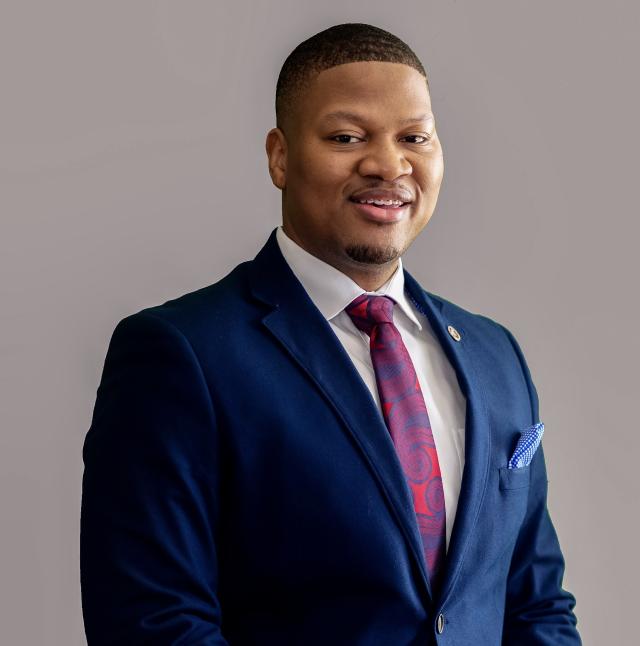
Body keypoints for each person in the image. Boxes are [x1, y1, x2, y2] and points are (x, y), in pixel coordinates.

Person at [80, 22, 581, 645]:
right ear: (280, 156)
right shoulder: (182, 354)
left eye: (414, 138)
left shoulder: (493, 354)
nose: (387, 164)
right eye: (347, 137)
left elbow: (537, 606)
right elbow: (153, 625)